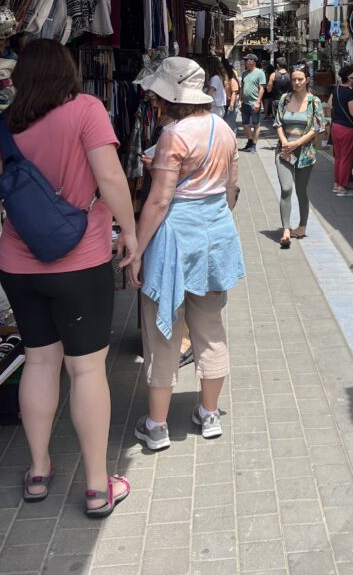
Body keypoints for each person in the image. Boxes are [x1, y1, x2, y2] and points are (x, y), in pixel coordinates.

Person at [0, 39, 137, 518]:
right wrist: (129, 231)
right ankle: (94, 486)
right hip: (80, 260)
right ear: (67, 72)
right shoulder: (86, 110)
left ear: (20, 78)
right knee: (85, 370)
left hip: (19, 266)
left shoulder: (5, 126)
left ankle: (39, 470)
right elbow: (109, 178)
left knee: (39, 362)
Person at [127, 57, 244, 449]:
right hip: (215, 236)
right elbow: (230, 193)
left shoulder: (172, 135)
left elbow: (159, 202)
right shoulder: (224, 129)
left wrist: (136, 251)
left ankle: (157, 425)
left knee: (164, 332)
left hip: (175, 238)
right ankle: (209, 415)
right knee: (210, 329)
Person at [273, 64, 325, 249]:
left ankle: (302, 227)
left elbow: (317, 128)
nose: (296, 82)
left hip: (304, 153)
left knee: (301, 190)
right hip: (284, 151)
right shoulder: (284, 99)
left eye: (300, 79)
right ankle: (286, 229)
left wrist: (296, 143)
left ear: (307, 80)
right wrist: (284, 142)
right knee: (286, 188)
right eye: (294, 79)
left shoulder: (314, 102)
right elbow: (278, 122)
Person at [327, 65, 353, 196]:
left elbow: (330, 103)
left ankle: (337, 184)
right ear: (350, 78)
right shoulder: (350, 92)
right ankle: (342, 188)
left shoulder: (336, 89)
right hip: (347, 128)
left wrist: (339, 112)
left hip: (336, 126)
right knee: (347, 158)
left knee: (339, 157)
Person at [240, 53, 266, 153]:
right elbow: (242, 87)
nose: (245, 62)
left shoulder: (260, 73)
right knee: (245, 124)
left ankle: (253, 144)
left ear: (253, 61)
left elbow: (262, 88)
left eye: (247, 60)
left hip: (254, 102)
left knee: (256, 124)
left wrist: (258, 102)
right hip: (245, 103)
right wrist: (240, 100)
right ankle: (250, 141)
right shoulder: (244, 73)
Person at [221, 59, 240, 131]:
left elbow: (234, 93)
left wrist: (231, 105)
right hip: (224, 103)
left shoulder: (232, 80)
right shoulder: (223, 79)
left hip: (230, 104)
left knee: (230, 123)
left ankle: (233, 139)